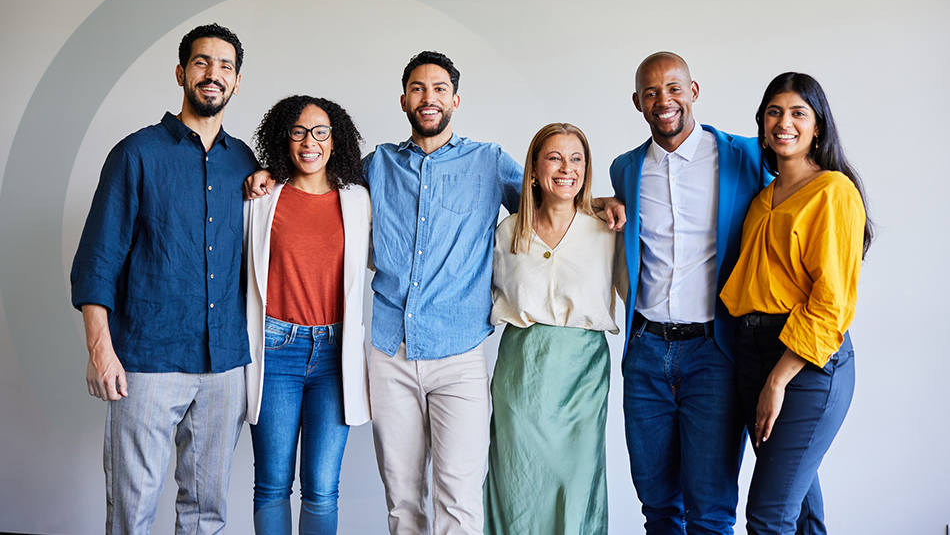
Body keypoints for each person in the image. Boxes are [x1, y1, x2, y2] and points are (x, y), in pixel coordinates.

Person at [244, 51, 522, 535]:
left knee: (459, 500)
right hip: (388, 353)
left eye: (439, 89)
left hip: (458, 353)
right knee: (401, 500)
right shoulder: (376, 168)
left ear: (455, 98)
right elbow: (318, 186)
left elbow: (550, 206)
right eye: (418, 88)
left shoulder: (490, 162)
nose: (428, 98)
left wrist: (599, 205)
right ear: (403, 100)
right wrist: (266, 174)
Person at [71, 23, 258, 534]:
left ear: (237, 82)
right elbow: (97, 260)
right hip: (147, 360)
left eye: (224, 66)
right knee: (132, 512)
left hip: (224, 366)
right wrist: (100, 349)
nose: (212, 74)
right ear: (181, 73)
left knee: (207, 512)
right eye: (201, 63)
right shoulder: (136, 154)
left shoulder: (244, 162)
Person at [607, 52, 771, 534]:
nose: (664, 101)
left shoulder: (744, 156)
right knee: (658, 506)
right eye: (652, 93)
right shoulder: (626, 169)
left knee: (711, 510)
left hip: (714, 352)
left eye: (674, 88)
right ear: (638, 102)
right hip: (645, 353)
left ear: (693, 91)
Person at [720, 73, 871, 534]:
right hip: (752, 354)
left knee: (768, 516)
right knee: (799, 511)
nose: (784, 122)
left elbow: (831, 304)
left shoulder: (833, 192)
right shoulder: (762, 198)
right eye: (774, 112)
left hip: (805, 365)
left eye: (798, 113)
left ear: (818, 127)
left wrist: (778, 379)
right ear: (762, 125)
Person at [483, 123, 621, 535]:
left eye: (576, 158)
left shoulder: (608, 228)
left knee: (577, 483)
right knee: (516, 484)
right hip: (521, 372)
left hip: (583, 371)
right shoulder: (508, 233)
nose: (567, 168)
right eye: (555, 158)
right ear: (533, 170)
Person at [244, 95, 372, 534]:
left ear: (335, 141)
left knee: (321, 487)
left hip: (335, 357)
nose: (309, 141)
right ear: (285, 138)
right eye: (298, 131)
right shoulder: (262, 196)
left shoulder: (358, 201)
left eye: (320, 132)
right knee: (273, 484)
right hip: (276, 350)